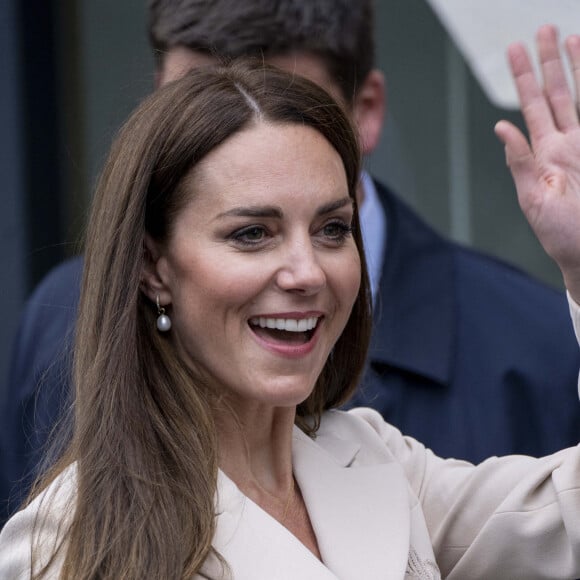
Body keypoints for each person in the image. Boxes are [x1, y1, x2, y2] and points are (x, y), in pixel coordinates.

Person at [2, 25, 580, 579]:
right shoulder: (68, 540)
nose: (308, 272)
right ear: (154, 267)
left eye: (332, 229)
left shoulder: (372, 459)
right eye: (252, 233)